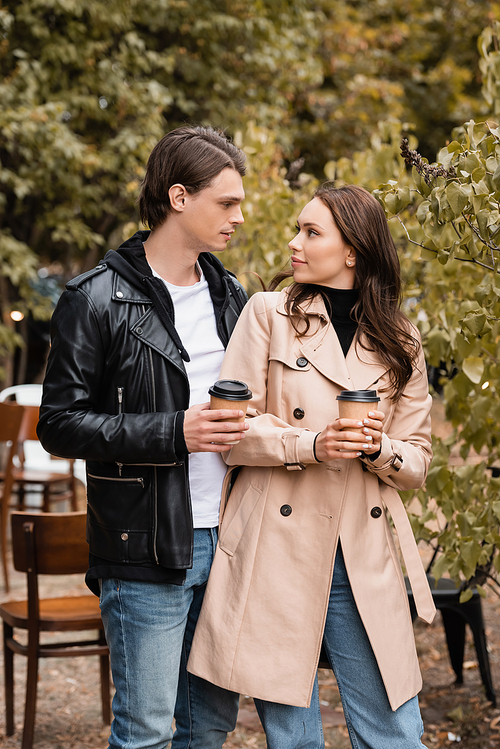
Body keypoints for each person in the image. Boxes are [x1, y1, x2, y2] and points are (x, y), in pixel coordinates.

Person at [187, 183, 437, 749]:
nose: (294, 243)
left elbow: (417, 459)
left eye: (311, 232)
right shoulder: (267, 314)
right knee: (293, 739)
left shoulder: (401, 339)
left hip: (361, 555)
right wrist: (312, 445)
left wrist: (376, 449)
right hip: (277, 547)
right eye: (298, 229)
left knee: (394, 732)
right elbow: (230, 432)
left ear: (353, 250)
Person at [37, 125, 249, 749]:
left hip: (231, 539)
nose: (239, 216)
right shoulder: (93, 298)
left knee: (208, 728)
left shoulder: (231, 294)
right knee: (147, 732)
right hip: (142, 551)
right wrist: (175, 431)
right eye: (227, 203)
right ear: (179, 197)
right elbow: (59, 425)